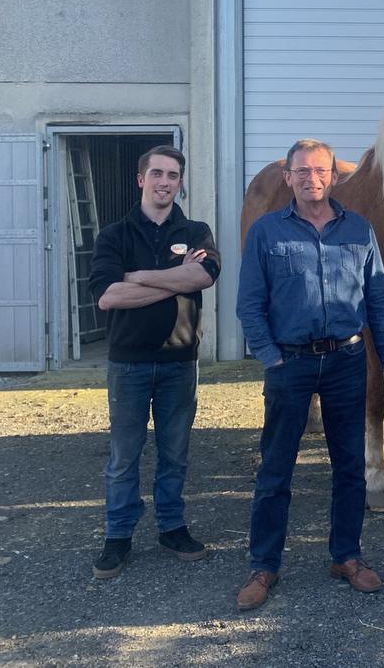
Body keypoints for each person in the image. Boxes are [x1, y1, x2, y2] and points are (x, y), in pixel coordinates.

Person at [236, 139, 384, 611]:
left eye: (321, 171)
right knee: (276, 469)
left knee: (350, 467)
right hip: (291, 363)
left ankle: (346, 556)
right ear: (288, 177)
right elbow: (249, 303)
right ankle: (264, 565)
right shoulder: (268, 232)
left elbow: (378, 301)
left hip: (348, 362)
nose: (313, 179)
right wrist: (270, 357)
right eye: (303, 171)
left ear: (334, 177)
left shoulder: (359, 230)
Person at [88, 145, 221, 579]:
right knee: (124, 456)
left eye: (174, 175)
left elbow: (203, 276)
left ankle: (172, 527)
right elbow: (108, 297)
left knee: (175, 454)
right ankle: (118, 536)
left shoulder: (197, 230)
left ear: (180, 182)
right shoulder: (115, 235)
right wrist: (174, 280)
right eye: (158, 173)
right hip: (128, 364)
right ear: (141, 179)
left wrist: (138, 276)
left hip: (179, 362)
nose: (166, 181)